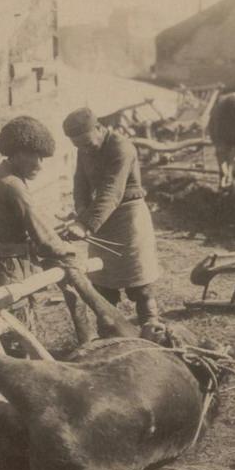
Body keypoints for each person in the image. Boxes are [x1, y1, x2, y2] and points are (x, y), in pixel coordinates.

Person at [0, 116, 72, 336]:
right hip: (6, 269)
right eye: (34, 156)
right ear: (16, 154)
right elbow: (44, 238)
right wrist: (66, 249)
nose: (39, 165)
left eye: (42, 158)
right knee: (16, 330)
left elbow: (17, 223)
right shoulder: (12, 185)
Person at [62, 107, 160, 332]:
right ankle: (108, 332)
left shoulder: (121, 147)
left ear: (98, 128)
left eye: (87, 143)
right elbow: (81, 185)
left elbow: (111, 191)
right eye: (78, 146)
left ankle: (152, 326)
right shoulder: (84, 150)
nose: (84, 149)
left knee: (140, 280)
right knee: (102, 282)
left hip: (129, 217)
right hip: (103, 219)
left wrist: (86, 224)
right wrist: (80, 212)